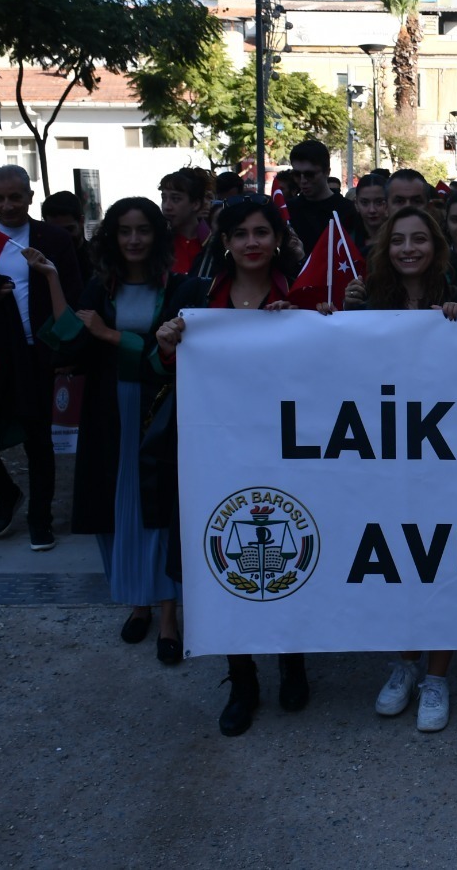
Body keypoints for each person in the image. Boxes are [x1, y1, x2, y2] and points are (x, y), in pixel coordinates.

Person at [153, 198, 313, 737]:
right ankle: (240, 677)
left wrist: (306, 326)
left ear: (277, 238)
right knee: (225, 564)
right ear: (224, 240)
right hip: (216, 454)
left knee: (296, 552)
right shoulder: (194, 295)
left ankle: (292, 658)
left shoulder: (305, 295)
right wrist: (166, 343)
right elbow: (168, 366)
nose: (251, 242)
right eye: (240, 232)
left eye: (262, 232)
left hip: (289, 450)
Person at [31, 198, 184, 662]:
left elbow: (168, 360)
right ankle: (137, 603)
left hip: (160, 410)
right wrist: (54, 278)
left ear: (157, 235)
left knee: (159, 507)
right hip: (107, 412)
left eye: (142, 230)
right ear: (112, 237)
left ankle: (168, 615)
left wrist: (112, 337)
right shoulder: (102, 287)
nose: (134, 239)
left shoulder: (179, 289)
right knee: (117, 509)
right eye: (124, 231)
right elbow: (71, 339)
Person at [341, 206, 457, 732]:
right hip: (388, 454)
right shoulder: (368, 300)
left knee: (443, 562)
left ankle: (437, 676)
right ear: (385, 249)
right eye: (399, 241)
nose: (409, 249)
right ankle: (404, 664)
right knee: (396, 562)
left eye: (420, 239)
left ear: (435, 246)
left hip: (450, 455)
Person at [0, 165, 83, 551]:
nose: (8, 205)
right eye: (0, 198)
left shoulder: (54, 238)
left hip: (37, 353)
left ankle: (40, 518)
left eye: (15, 197)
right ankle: (6, 494)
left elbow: (71, 294)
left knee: (39, 441)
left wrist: (65, 351)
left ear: (29, 196)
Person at [287, 139, 362, 253]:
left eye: (310, 174)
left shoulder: (346, 209)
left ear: (327, 172)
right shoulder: (289, 209)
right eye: (297, 174)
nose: (303, 180)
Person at [159, 167, 213, 275]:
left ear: (195, 204)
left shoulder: (214, 245)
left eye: (175, 199)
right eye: (164, 198)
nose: (166, 206)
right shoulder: (158, 242)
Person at [39, 191, 91, 284]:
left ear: (81, 222)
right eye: (56, 231)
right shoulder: (41, 260)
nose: (63, 237)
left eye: (68, 230)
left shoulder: (98, 259)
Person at [354, 172, 391, 250]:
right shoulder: (347, 242)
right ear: (356, 204)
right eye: (365, 203)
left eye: (379, 202)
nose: (372, 210)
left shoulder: (401, 240)